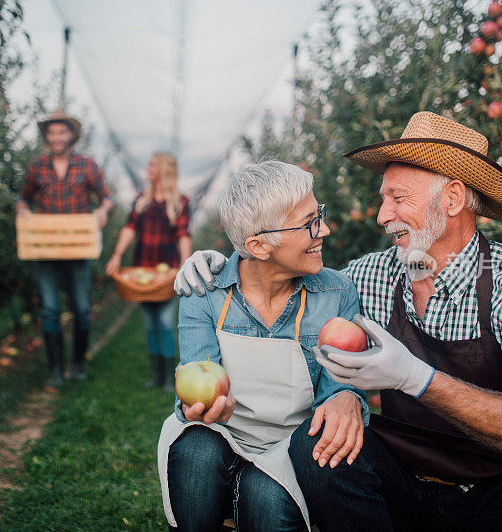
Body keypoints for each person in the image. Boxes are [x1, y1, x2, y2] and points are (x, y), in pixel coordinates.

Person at [173, 112, 502, 530]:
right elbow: (292, 281)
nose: (381, 215)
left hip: (497, 497)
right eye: (382, 198)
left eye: (397, 198)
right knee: (314, 447)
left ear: (452, 198)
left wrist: (417, 378)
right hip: (400, 485)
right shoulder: (369, 276)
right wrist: (226, 266)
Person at [157, 161, 367, 531]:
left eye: (319, 215)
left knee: (265, 499)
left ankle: (249, 488)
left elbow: (336, 394)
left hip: (290, 446)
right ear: (258, 245)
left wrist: (348, 396)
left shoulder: (337, 295)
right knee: (196, 453)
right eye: (309, 223)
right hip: (222, 432)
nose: (325, 230)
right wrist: (202, 406)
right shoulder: (205, 292)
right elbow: (197, 376)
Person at [17, 108, 113, 387]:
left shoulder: (87, 165)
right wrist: (22, 210)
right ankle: (56, 368)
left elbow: (105, 197)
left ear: (71, 135)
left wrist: (103, 211)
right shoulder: (37, 166)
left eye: (62, 132)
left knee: (82, 310)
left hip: (77, 249)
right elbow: (23, 198)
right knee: (49, 311)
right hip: (45, 250)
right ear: (47, 136)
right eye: (52, 132)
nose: (57, 137)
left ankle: (79, 364)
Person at [105, 152, 191, 392]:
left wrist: (184, 263)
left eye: (152, 163)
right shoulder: (142, 200)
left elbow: (183, 234)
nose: (148, 167)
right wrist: (117, 254)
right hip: (142, 271)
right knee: (150, 324)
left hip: (166, 274)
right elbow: (129, 228)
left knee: (164, 323)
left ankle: (168, 377)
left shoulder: (179, 202)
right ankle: (156, 375)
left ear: (164, 169)